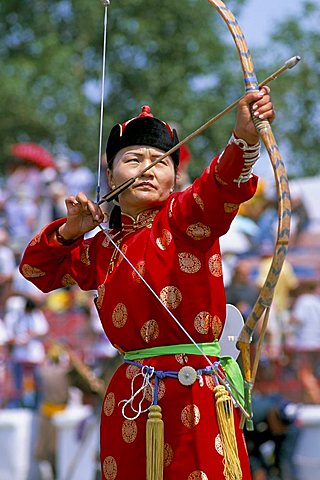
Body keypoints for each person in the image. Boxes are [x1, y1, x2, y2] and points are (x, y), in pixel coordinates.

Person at [19, 88, 275, 479]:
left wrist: (246, 137)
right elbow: (36, 270)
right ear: (110, 175)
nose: (146, 168)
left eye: (159, 161)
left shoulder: (186, 216)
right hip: (130, 397)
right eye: (132, 159)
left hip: (195, 389)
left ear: (174, 177)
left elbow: (222, 184)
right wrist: (70, 232)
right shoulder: (101, 247)